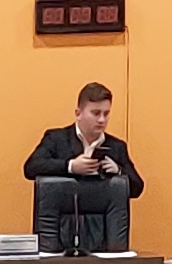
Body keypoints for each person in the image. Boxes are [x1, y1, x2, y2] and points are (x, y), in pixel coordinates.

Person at [14, 80, 146, 223]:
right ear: (78, 113)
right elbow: (31, 168)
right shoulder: (57, 139)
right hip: (62, 226)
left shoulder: (116, 147)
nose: (102, 120)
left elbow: (137, 188)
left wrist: (119, 172)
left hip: (102, 228)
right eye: (96, 113)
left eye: (106, 113)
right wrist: (70, 166)